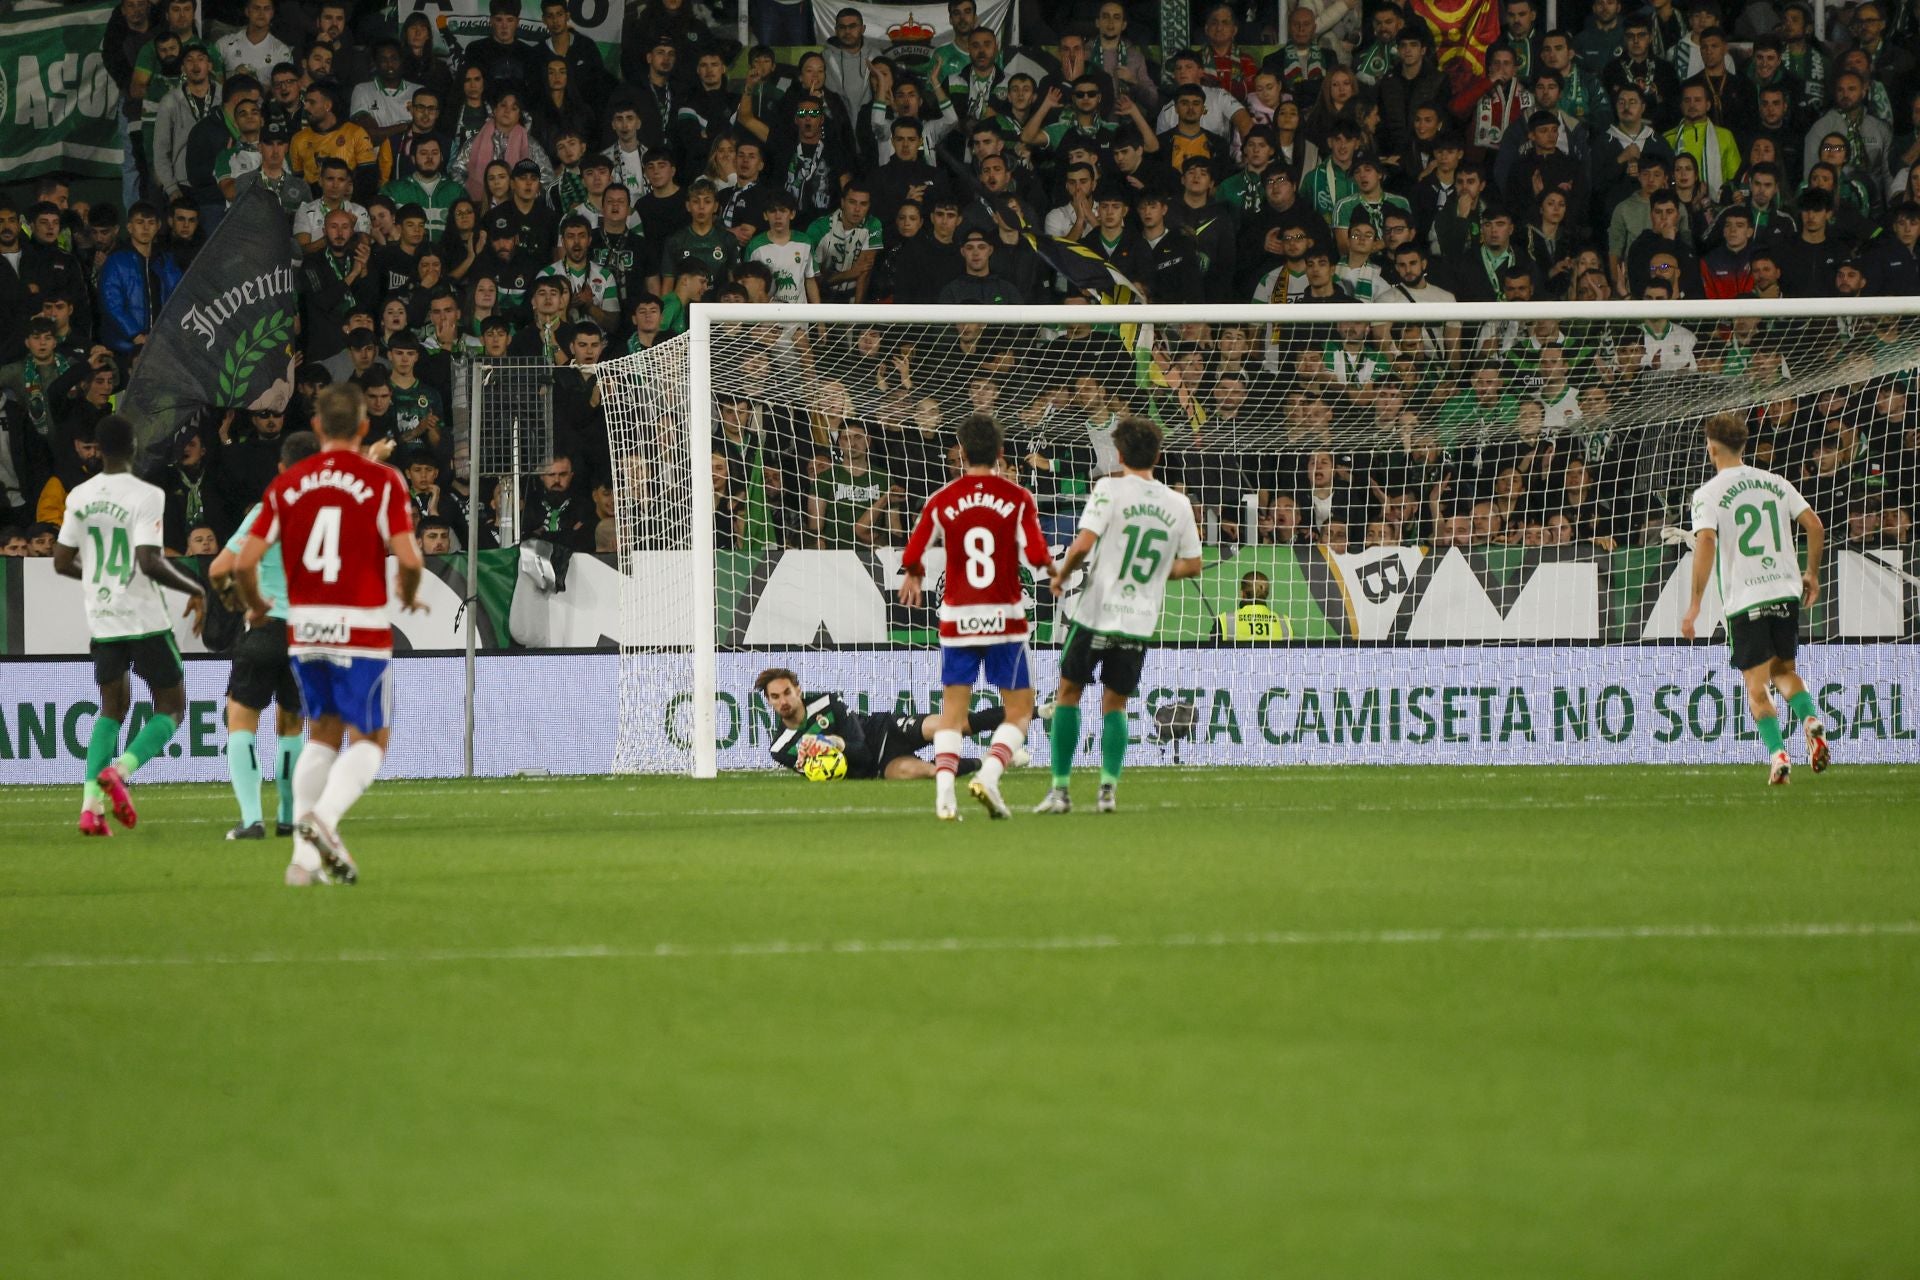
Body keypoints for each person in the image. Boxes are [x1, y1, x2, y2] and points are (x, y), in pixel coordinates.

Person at [235, 383, 425, 885]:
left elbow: (244, 563)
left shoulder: (285, 486)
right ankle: (325, 819)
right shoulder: (381, 480)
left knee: (320, 734)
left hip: (304, 626)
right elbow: (408, 557)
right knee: (371, 739)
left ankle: (302, 860)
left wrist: (257, 606)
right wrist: (407, 590)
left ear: (317, 427)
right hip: (358, 625)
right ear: (364, 428)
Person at [1034, 416, 1203, 815]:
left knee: (1068, 694)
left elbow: (1083, 542)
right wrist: (1158, 572)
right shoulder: (1178, 504)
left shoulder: (1108, 488)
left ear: (1120, 454)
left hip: (1095, 612)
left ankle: (1060, 790)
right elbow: (1194, 564)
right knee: (1115, 705)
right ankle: (1107, 789)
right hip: (1139, 618)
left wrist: (1063, 573)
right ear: (1158, 456)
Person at [50, 414, 208, 836]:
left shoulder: (80, 495)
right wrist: (195, 585)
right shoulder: (146, 494)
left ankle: (90, 809)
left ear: (98, 449)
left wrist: (99, 577)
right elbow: (148, 562)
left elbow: (62, 561)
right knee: (172, 707)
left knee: (111, 709)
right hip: (143, 616)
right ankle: (121, 770)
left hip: (102, 617)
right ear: (135, 446)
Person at [897, 414, 1052, 821]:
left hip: (958, 618)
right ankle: (989, 774)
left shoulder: (943, 499)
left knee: (952, 713)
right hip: (1004, 616)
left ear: (961, 454)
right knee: (1019, 711)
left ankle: (945, 796)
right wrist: (1056, 570)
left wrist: (914, 573)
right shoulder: (1017, 497)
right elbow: (1036, 555)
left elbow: (912, 553)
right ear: (1001, 454)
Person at [1681, 412, 1831, 787]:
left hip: (1746, 598)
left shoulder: (1708, 494)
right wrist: (1810, 573)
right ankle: (1810, 719)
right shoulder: (1775, 482)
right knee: (1783, 671)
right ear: (1743, 445)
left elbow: (1707, 541)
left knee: (1755, 684)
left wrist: (1695, 603)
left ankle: (1779, 756)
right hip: (1785, 589)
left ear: (1711, 449)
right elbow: (1815, 525)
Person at [207, 429, 317, 840]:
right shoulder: (333, 517)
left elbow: (221, 568)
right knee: (290, 726)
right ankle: (289, 818)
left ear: (282, 469)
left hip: (267, 628)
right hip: (309, 634)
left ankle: (252, 819)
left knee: (241, 720)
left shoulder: (267, 512)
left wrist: (240, 603)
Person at [755, 668, 1017, 780]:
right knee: (930, 773)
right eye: (775, 697)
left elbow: (860, 747)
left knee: (950, 725)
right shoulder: (781, 748)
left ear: (798, 690)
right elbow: (832, 772)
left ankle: (1034, 711)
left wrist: (834, 742)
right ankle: (993, 759)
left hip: (883, 730)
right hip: (876, 768)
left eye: (787, 692)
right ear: (769, 701)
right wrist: (829, 758)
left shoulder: (828, 702)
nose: (783, 701)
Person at [1216, 570, 1291, 640]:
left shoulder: (1225, 620)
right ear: (1267, 594)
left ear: (1242, 593)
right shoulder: (1283, 622)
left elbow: (1212, 652)